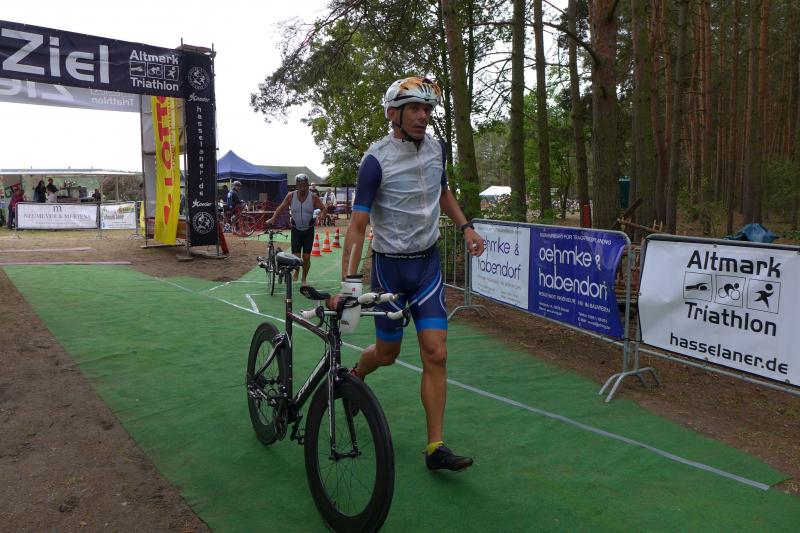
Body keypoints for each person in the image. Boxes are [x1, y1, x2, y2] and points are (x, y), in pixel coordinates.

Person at [340, 76, 484, 472]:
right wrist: (349, 282)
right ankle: (356, 375)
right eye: (415, 109)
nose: (423, 116)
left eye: (427, 109)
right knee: (387, 354)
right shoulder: (376, 160)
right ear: (394, 114)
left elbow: (443, 191)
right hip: (389, 269)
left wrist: (466, 226)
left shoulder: (438, 149)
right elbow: (357, 226)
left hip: (426, 267)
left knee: (436, 352)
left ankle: (435, 447)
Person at [267, 174, 326, 285]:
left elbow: (323, 208)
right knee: (296, 257)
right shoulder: (291, 196)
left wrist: (321, 216)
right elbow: (280, 208)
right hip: (296, 230)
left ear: (307, 185)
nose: (302, 187)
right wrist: (273, 218)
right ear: (296, 185)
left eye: (304, 185)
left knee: (306, 257)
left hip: (308, 230)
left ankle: (304, 279)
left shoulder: (313, 197)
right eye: (300, 185)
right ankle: (297, 272)